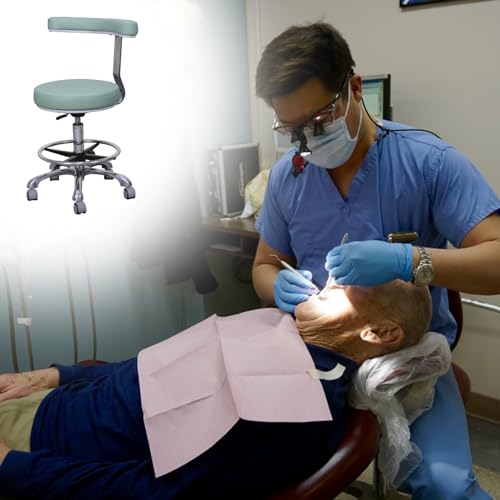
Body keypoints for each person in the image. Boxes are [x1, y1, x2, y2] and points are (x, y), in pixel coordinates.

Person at [252, 21, 500, 499]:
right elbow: (266, 264)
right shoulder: (288, 178)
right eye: (293, 129)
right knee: (244, 460)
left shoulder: (428, 163)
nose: (307, 140)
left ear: (353, 88)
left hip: (409, 361)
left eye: (319, 120)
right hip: (311, 354)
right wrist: (274, 286)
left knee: (446, 485)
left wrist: (408, 260)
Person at [0, 280, 431, 499]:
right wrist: (56, 377)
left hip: (41, 451)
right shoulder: (276, 328)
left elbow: (153, 492)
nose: (327, 280)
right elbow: (153, 369)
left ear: (379, 332)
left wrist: (12, 467)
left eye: (343, 287)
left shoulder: (296, 410)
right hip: (47, 400)